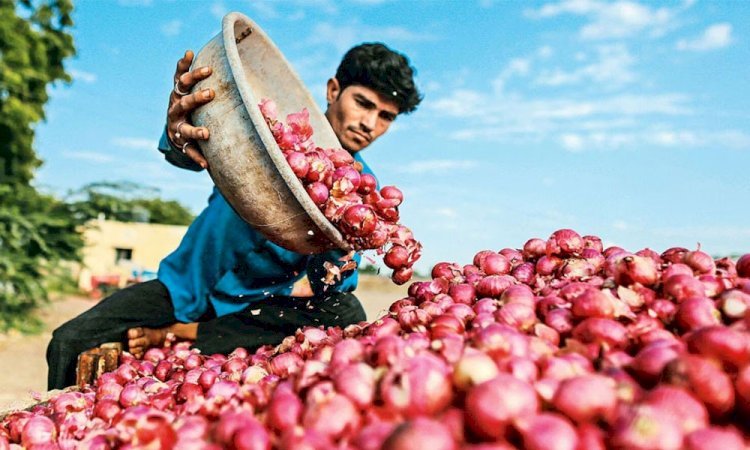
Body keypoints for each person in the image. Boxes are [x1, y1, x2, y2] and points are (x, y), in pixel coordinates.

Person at [46, 42, 422, 390]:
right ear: (333, 90)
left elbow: (329, 287)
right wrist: (179, 131)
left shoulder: (363, 192)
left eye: (385, 116)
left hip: (254, 308)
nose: (369, 124)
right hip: (185, 288)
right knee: (70, 341)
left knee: (346, 310)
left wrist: (340, 250)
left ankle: (186, 334)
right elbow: (192, 150)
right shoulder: (270, 132)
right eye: (363, 103)